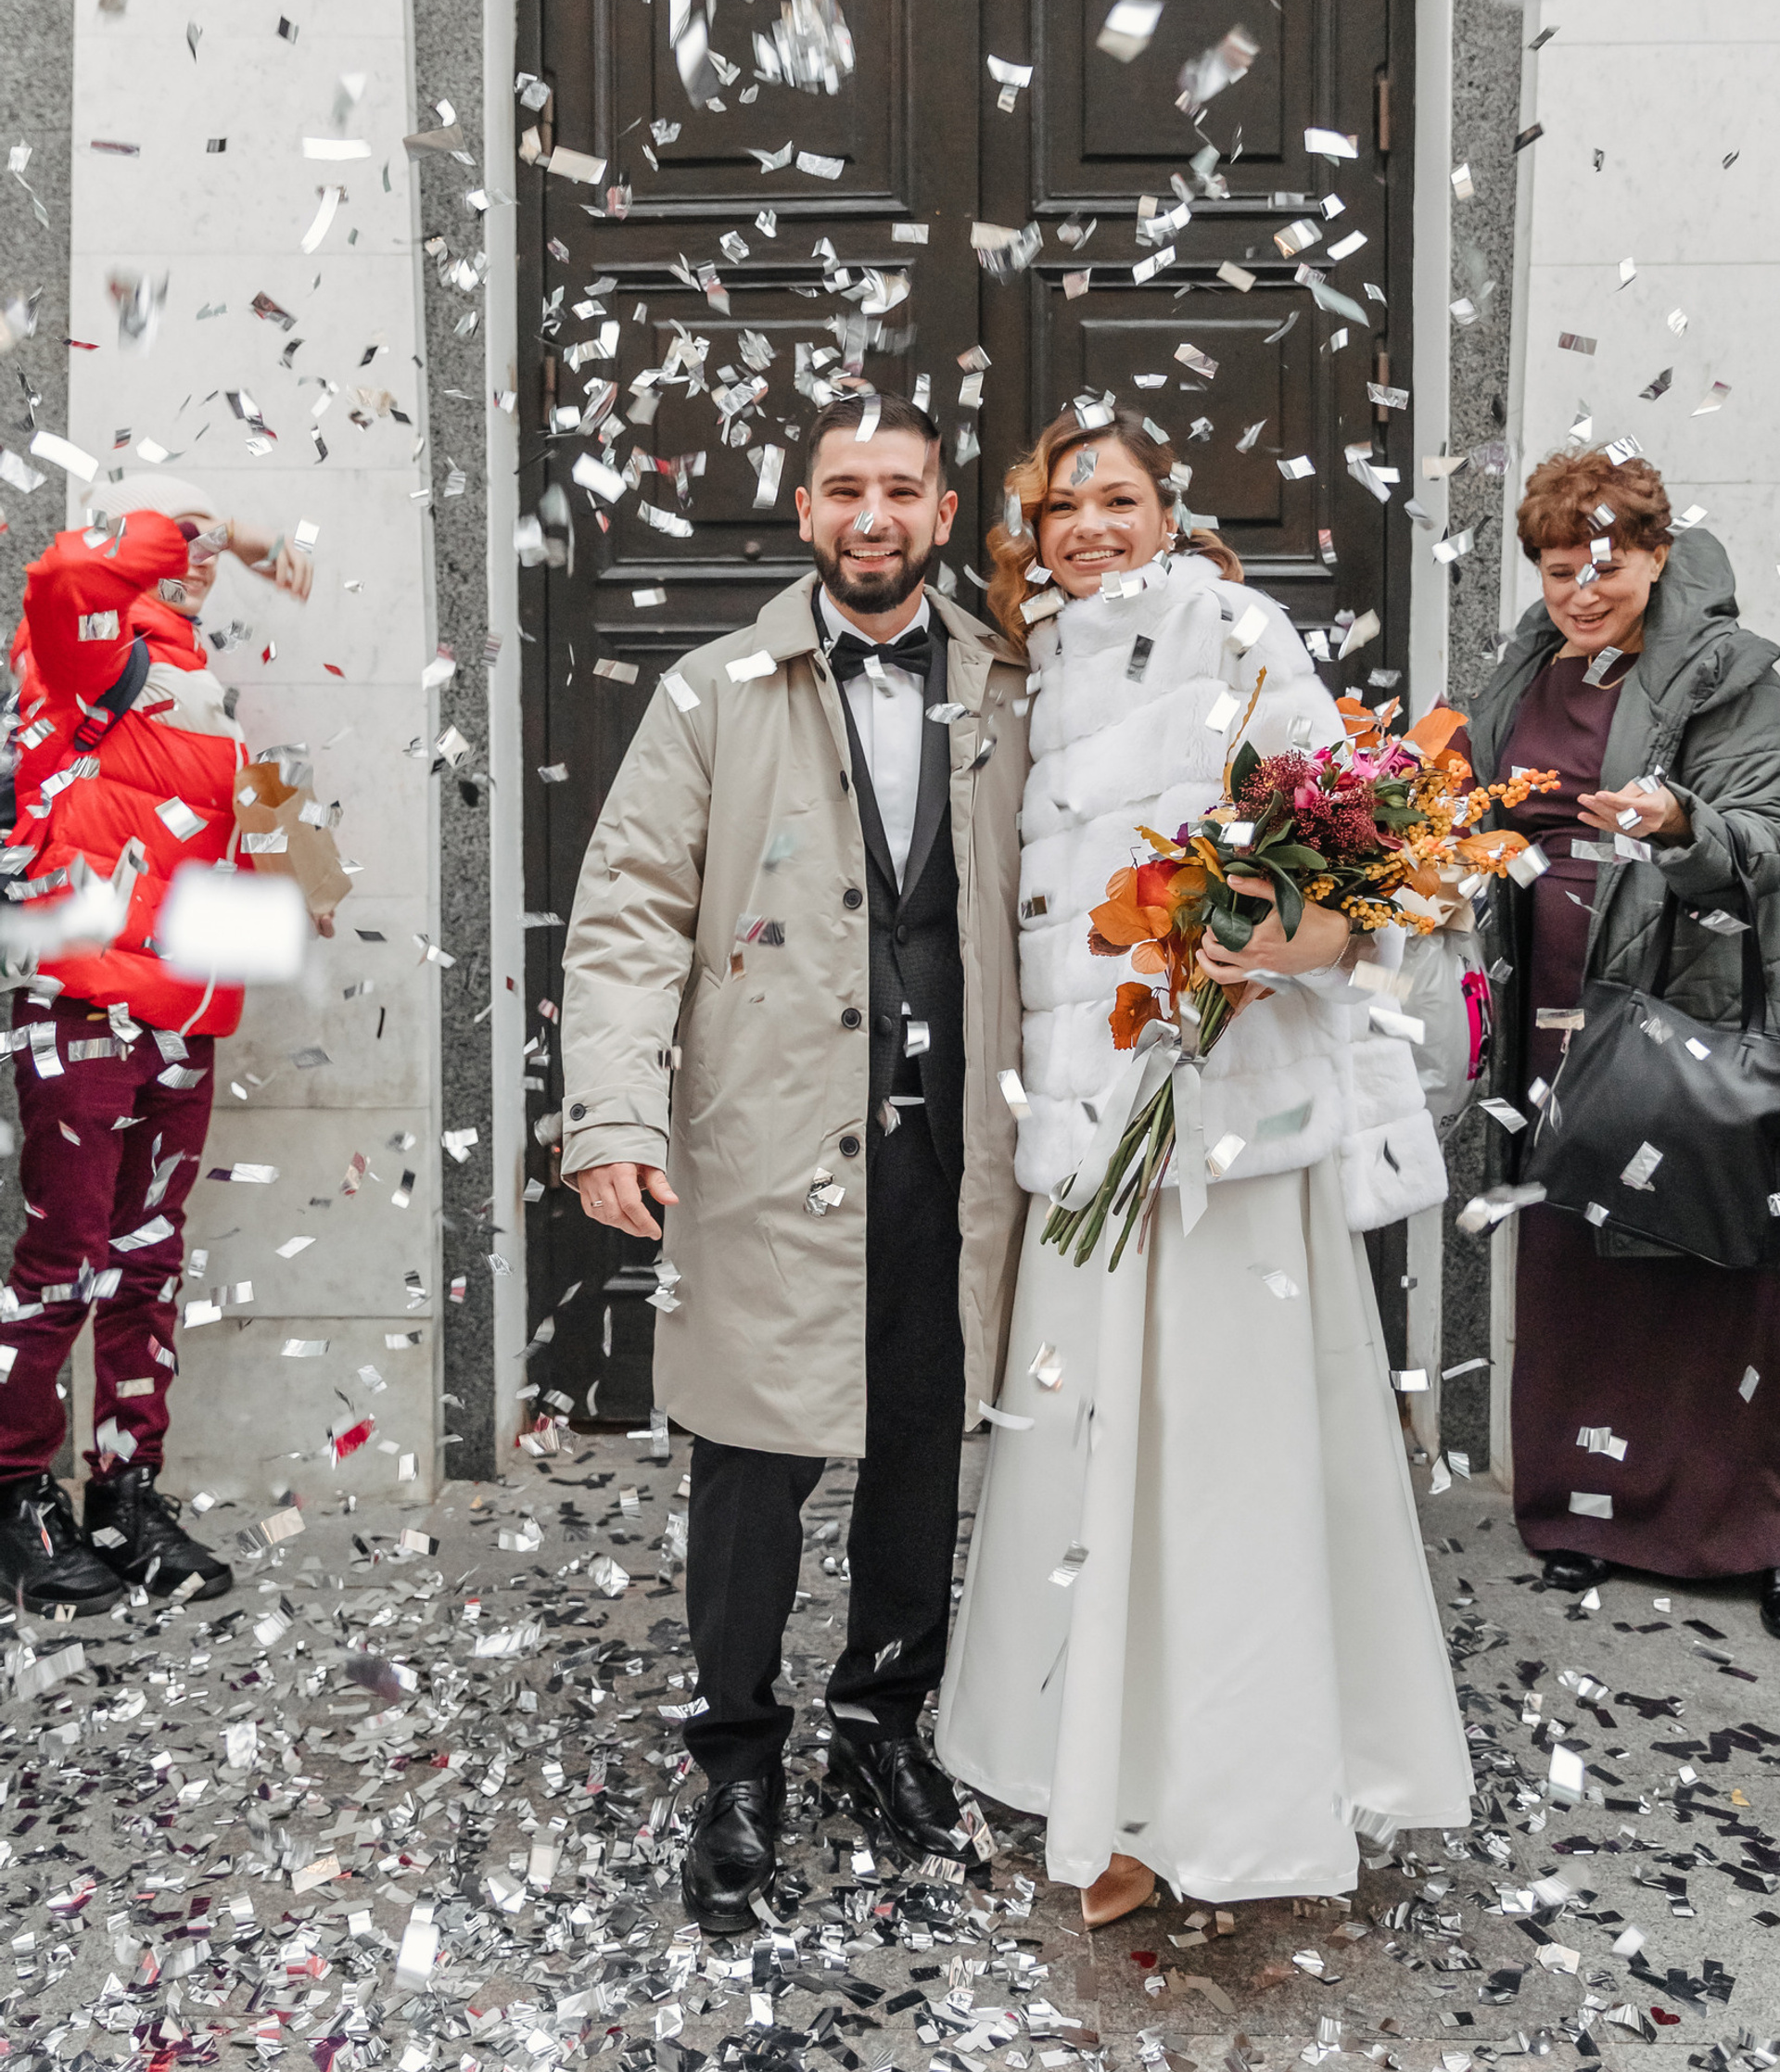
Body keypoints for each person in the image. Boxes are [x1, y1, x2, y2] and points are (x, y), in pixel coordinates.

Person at [935, 408, 1472, 1925]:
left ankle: (1244, 1804)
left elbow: (1371, 873)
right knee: (1093, 1470)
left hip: (1229, 1138)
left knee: (1231, 1476)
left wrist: (1262, 943)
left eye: (1115, 499)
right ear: (1029, 540)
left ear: (1166, 511)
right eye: (1059, 510)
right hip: (1096, 1141)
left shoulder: (1236, 629)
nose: (1088, 528)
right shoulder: (1033, 680)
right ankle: (1103, 1800)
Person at [558, 392, 1027, 1932]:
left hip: (957, 1138)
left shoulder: (1021, 687)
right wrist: (614, 1116)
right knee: (751, 1454)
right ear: (807, 509)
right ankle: (739, 1756)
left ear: (944, 512)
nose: (874, 515)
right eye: (846, 490)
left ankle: (886, 1729)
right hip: (767, 1137)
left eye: (903, 489)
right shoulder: (712, 692)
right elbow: (628, 912)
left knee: (915, 1441)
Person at [1462, 449, 1780, 1621]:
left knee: (1706, 1259)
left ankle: (1745, 1528)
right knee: (1577, 1256)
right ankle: (1582, 1505)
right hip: (1547, 1003)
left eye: (1605, 565)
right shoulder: (1526, 665)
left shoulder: (1730, 669)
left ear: (1655, 553)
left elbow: (1766, 831)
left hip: (1675, 1003)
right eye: (1558, 571)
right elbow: (1482, 794)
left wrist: (1680, 818)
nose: (1582, 591)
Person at [0, 477, 319, 1616]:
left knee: (143, 1261)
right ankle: (14, 1495)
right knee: (63, 1260)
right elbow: (64, 574)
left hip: (184, 1017)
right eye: (173, 533)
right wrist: (208, 526)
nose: (197, 552)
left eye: (205, 541)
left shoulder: (192, 676)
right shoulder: (85, 645)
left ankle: (124, 1493)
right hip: (84, 1010)